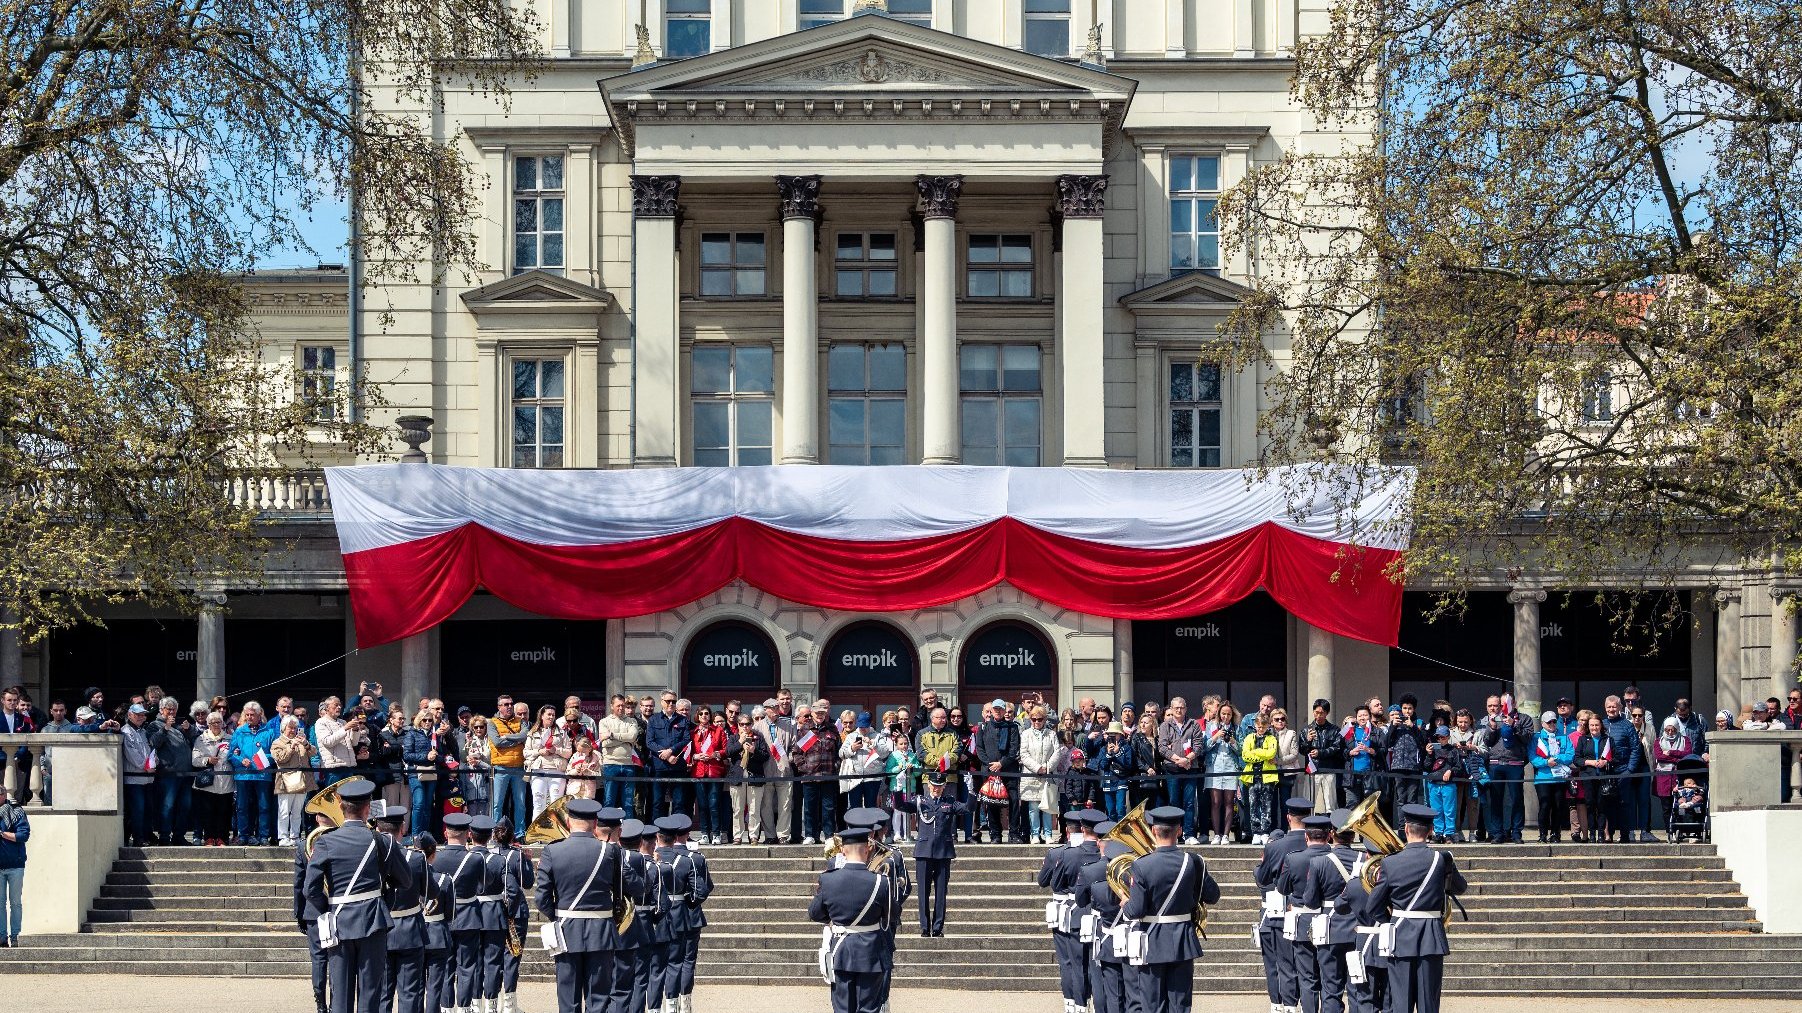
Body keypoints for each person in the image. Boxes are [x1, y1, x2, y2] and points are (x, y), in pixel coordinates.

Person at [302, 779, 413, 1013]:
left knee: (340, 994)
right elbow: (405, 881)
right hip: (373, 919)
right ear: (367, 808)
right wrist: (383, 892)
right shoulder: (382, 841)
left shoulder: (325, 841)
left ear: (340, 806)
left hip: (339, 921)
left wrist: (331, 909)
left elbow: (310, 889)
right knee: (371, 992)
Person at [1364, 804, 1467, 1013]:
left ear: (1406, 830)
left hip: (1400, 936)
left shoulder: (1390, 863)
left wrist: (1390, 921)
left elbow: (1372, 906)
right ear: (1430, 831)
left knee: (1401, 1003)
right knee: (1429, 1003)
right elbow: (1460, 888)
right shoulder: (1442, 859)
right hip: (1431, 936)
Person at [535, 800, 635, 1013]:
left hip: (566, 930)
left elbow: (542, 898)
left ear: (569, 822)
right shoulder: (610, 852)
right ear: (595, 823)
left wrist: (559, 916)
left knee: (568, 999)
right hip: (601, 930)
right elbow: (624, 890)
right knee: (598, 998)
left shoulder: (552, 851)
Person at [1122, 805, 1221, 1013]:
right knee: (1180, 1005)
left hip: (1152, 940)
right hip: (1182, 940)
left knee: (1152, 1004)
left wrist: (1125, 903)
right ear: (1179, 831)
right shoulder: (1194, 862)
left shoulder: (1141, 865)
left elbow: (1136, 910)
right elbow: (1213, 896)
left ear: (1154, 830)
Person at [809, 822, 897, 1013]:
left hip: (841, 950)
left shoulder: (828, 879)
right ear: (867, 849)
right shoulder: (881, 882)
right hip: (871, 952)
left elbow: (815, 913)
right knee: (869, 1009)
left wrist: (836, 918)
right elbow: (891, 916)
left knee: (842, 1008)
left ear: (842, 850)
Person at [1256, 798, 1312, 1013]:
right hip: (1311, 910)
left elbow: (1262, 878)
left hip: (1280, 909)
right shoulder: (1315, 842)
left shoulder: (1275, 846)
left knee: (1284, 963)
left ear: (1288, 817)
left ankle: (1287, 1005)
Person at [1302, 809, 1361, 1013]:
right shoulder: (1364, 860)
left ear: (1331, 834)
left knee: (1331, 989)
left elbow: (1309, 901)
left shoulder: (1319, 862)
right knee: (1357, 988)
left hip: (1330, 929)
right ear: (1353, 835)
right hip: (1357, 930)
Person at [654, 814, 712, 1013]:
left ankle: (664, 1004)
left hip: (658, 915)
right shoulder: (693, 859)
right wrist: (690, 901)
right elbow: (704, 889)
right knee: (686, 961)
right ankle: (684, 1001)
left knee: (661, 963)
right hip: (687, 915)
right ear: (686, 834)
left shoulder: (653, 857)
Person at [374, 803, 428, 1013]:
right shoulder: (416, 858)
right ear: (403, 828)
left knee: (382, 994)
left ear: (379, 828)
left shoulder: (373, 858)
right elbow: (428, 892)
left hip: (382, 928)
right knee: (409, 993)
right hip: (410, 930)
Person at [1278, 814, 1335, 1013]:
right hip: (1331, 921)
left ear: (1306, 837)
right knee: (1330, 978)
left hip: (1303, 920)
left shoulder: (1293, 858)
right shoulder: (1336, 858)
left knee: (1307, 976)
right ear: (1329, 836)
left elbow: (1283, 888)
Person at [435, 812, 487, 1013]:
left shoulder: (436, 858)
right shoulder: (474, 859)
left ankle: (447, 1008)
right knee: (467, 967)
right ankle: (464, 1007)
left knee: (446, 967)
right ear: (468, 834)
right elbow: (482, 888)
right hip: (469, 917)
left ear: (445, 832)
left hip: (444, 918)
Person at [908, 770, 966, 936]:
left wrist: (970, 791)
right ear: (928, 785)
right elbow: (901, 805)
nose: (936, 788)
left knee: (941, 893)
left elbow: (968, 808)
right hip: (923, 851)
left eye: (940, 786)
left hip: (943, 852)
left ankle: (938, 927)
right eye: (934, 785)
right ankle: (925, 927)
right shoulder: (921, 801)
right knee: (923, 892)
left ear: (944, 786)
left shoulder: (949, 802)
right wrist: (899, 788)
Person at [294, 809, 336, 1013]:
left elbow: (299, 883)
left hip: (313, 909)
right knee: (337, 959)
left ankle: (320, 1005)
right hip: (337, 908)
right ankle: (335, 1003)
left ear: (318, 818)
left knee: (318, 959)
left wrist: (299, 912)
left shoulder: (304, 845)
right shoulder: (340, 840)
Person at [491, 822, 533, 1013]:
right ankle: (509, 1003)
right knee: (512, 957)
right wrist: (528, 862)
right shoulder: (516, 855)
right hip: (516, 913)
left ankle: (495, 1002)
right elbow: (528, 883)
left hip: (494, 911)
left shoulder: (490, 855)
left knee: (494, 958)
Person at [1479, 696, 1530, 845]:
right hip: (1495, 763)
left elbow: (1527, 738)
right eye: (1500, 704)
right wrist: (1492, 727)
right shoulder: (1493, 719)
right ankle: (1497, 833)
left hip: (1515, 763)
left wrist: (1515, 725)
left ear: (1513, 703)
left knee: (1517, 799)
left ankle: (1516, 833)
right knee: (1495, 800)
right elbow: (1487, 742)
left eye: (1505, 704)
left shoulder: (1524, 718)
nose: (1502, 707)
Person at [1157, 698, 1206, 844]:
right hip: (1172, 769)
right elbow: (1162, 747)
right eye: (1176, 708)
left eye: (1182, 707)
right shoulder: (1165, 725)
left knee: (1189, 802)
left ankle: (1189, 833)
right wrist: (1178, 760)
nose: (1179, 710)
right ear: (1171, 709)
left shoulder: (1193, 724)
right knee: (1174, 801)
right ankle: (1175, 834)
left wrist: (1187, 760)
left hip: (1190, 768)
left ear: (1186, 708)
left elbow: (1198, 746)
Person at [230, 701, 279, 846]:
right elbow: (231, 753)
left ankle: (263, 836)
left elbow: (274, 753)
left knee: (264, 806)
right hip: (243, 774)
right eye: (247, 715)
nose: (250, 717)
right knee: (242, 806)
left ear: (259, 715)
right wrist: (240, 760)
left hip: (262, 775)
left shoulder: (268, 731)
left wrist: (262, 760)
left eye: (253, 715)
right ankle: (243, 835)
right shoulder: (239, 731)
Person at [974, 699, 1021, 844]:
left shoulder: (1012, 727)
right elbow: (980, 749)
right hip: (989, 771)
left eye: (1000, 709)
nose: (998, 711)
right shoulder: (983, 727)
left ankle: (1013, 833)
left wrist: (1001, 763)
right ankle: (995, 834)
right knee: (991, 802)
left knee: (1013, 801)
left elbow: (1014, 750)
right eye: (995, 709)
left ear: (1004, 710)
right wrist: (991, 765)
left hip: (1008, 770)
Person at [796, 707, 841, 845]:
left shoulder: (832, 729)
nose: (820, 716)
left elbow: (838, 752)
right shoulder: (805, 730)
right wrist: (803, 768)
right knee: (810, 807)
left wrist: (836, 766)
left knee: (828, 807)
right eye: (817, 713)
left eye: (823, 713)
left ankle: (829, 836)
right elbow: (797, 753)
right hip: (810, 775)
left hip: (828, 775)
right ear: (812, 714)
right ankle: (810, 835)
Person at [274, 715, 319, 847]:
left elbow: (314, 753)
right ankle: (283, 837)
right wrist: (291, 747)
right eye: (290, 727)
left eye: (295, 728)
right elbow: (280, 759)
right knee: (284, 811)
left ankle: (295, 835)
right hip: (285, 780)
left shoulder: (301, 741)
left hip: (302, 780)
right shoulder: (278, 742)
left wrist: (305, 743)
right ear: (284, 728)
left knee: (297, 810)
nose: (293, 730)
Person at [755, 698, 795, 844]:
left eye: (777, 707)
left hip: (784, 771)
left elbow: (794, 746)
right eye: (773, 708)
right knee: (766, 805)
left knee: (785, 804)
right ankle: (770, 835)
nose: (776, 710)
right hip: (765, 770)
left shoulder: (788, 725)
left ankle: (783, 835)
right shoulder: (757, 727)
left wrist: (787, 759)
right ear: (766, 709)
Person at [1020, 706, 1062, 844]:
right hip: (1032, 775)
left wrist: (1047, 767)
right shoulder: (1026, 734)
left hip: (1048, 774)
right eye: (1034, 719)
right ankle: (1035, 834)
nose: (1036, 722)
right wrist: (1037, 768)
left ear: (1045, 719)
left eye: (1039, 719)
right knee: (1033, 807)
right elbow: (1024, 754)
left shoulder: (1052, 734)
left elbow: (1057, 752)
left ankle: (1048, 834)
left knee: (1048, 806)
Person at [1529, 712, 1573, 844]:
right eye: (1549, 722)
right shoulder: (1536, 738)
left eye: (1554, 721)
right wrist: (1546, 763)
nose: (1552, 724)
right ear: (1542, 724)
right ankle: (1542, 834)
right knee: (1545, 805)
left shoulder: (1564, 737)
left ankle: (1555, 834)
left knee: (1558, 806)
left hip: (1559, 777)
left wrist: (1558, 759)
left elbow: (1570, 755)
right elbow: (1532, 757)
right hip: (1543, 777)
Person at [723, 712, 767, 843]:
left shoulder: (758, 737)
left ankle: (753, 835)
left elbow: (765, 756)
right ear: (738, 725)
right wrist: (740, 742)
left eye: (747, 724)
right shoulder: (733, 738)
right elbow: (728, 752)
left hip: (755, 776)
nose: (745, 727)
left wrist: (754, 751)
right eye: (742, 724)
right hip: (737, 777)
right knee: (737, 809)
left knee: (754, 809)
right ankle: (737, 836)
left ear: (751, 725)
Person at [490, 700, 531, 839]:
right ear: (499, 707)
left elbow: (524, 735)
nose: (509, 706)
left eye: (510, 704)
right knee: (497, 804)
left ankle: (520, 834)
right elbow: (497, 742)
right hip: (500, 767)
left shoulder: (521, 721)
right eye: (505, 704)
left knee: (520, 803)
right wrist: (517, 740)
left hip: (518, 767)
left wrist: (507, 736)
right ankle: (496, 834)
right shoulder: (492, 722)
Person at [527, 704, 574, 821]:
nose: (551, 717)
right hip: (538, 770)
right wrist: (540, 751)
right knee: (538, 804)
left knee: (556, 805)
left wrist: (556, 750)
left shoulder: (562, 732)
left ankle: (555, 836)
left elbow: (569, 752)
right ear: (542, 715)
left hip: (557, 770)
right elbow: (526, 752)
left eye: (553, 715)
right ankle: (536, 836)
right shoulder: (533, 732)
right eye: (549, 714)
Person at [1242, 713, 1282, 845]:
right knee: (1253, 805)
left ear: (1268, 726)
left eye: (1263, 727)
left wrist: (1255, 752)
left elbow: (1271, 753)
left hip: (1267, 776)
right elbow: (1245, 756)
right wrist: (1261, 755)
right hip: (1252, 776)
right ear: (1255, 726)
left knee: (1267, 805)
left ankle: (1265, 831)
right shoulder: (1249, 737)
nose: (1260, 729)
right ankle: (1256, 832)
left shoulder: (1271, 739)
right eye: (1258, 726)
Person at [1424, 725, 1463, 844]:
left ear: (1448, 737)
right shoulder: (1433, 750)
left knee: (1449, 810)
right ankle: (1438, 833)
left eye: (1443, 737)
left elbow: (1459, 766)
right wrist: (1429, 754)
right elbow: (1426, 766)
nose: (1441, 740)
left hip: (1448, 784)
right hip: (1434, 783)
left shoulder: (1453, 750)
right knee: (1436, 810)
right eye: (1439, 737)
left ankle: (1449, 834)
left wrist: (1450, 770)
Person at [0, 781, 27, 948]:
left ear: (3, 796)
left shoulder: (17, 812)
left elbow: (23, 835)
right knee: (0, 903)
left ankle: (15, 935)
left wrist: (3, 834)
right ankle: (2, 937)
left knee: (15, 902)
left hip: (15, 865)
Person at [567, 735, 602, 802]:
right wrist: (576, 770)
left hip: (588, 791)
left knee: (585, 810)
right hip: (574, 789)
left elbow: (599, 774)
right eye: (578, 751)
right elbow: (567, 772)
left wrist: (589, 772)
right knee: (574, 809)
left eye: (583, 752)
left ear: (589, 749)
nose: (580, 754)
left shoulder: (596, 757)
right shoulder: (574, 756)